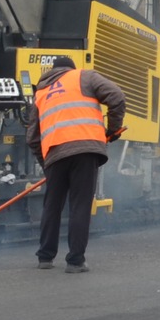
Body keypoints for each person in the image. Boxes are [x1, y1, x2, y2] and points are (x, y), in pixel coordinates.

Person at [23, 56, 127, 274]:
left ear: (53, 71)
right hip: (85, 150)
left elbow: (32, 138)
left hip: (54, 155)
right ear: (70, 68)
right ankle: (75, 261)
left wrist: (47, 163)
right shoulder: (85, 76)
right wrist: (112, 130)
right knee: (79, 204)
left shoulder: (41, 93)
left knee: (52, 204)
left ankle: (45, 256)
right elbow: (117, 96)